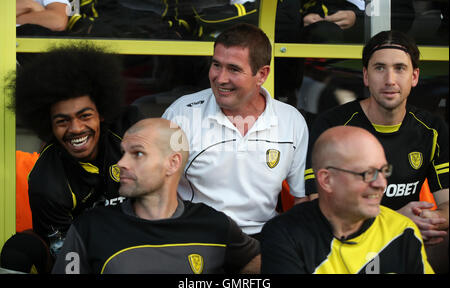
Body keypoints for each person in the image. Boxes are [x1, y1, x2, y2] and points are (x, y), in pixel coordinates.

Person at [1, 43, 142, 273]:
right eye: (62, 121)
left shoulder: (130, 131)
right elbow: (68, 258)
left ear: (103, 113)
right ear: (49, 126)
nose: (76, 128)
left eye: (85, 115)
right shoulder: (47, 182)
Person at [52, 118, 260, 274]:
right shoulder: (90, 227)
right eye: (123, 153)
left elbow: (262, 261)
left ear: (173, 163)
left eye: (137, 154)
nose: (121, 163)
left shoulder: (214, 225)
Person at [303, 30, 449, 249]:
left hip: (405, 239)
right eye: (379, 68)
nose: (390, 80)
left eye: (400, 68)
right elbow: (320, 207)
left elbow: (447, 203)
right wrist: (396, 221)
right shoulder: (333, 125)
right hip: (346, 242)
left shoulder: (432, 129)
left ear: (415, 76)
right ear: (365, 76)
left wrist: (428, 220)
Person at [162, 23, 309, 239]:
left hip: (263, 237)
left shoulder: (291, 120)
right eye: (216, 65)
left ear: (262, 74)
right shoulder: (181, 113)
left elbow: (300, 200)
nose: (220, 78)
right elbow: (156, 187)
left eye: (233, 69)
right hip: (195, 235)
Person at [261, 126, 434, 274]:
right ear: (326, 180)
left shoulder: (403, 230)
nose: (381, 183)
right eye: (367, 173)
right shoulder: (285, 234)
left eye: (383, 170)